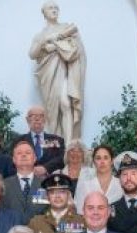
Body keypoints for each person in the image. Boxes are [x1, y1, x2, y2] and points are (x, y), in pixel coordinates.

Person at [28, 1, 85, 142]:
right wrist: (44, 41)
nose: (54, 10)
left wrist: (55, 46)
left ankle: (69, 144)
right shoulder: (40, 35)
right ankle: (55, 142)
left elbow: (76, 48)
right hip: (47, 74)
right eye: (50, 8)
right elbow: (32, 54)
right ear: (44, 13)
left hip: (64, 71)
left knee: (66, 103)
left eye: (56, 8)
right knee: (51, 111)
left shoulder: (66, 28)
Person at [1, 141, 47, 223]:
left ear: (35, 158)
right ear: (14, 159)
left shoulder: (46, 185)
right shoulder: (3, 185)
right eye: (19, 153)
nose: (23, 155)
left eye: (28, 153)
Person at [11, 106, 65, 171]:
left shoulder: (56, 140)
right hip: (26, 176)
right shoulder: (18, 141)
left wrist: (45, 168)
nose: (37, 119)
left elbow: (61, 158)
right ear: (27, 120)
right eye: (33, 116)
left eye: (41, 116)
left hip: (50, 178)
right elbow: (13, 159)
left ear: (45, 119)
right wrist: (30, 169)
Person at [73, 144, 123, 214]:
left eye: (106, 158)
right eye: (98, 158)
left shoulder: (121, 184)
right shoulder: (85, 185)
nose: (102, 162)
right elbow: (80, 212)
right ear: (93, 161)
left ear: (112, 161)